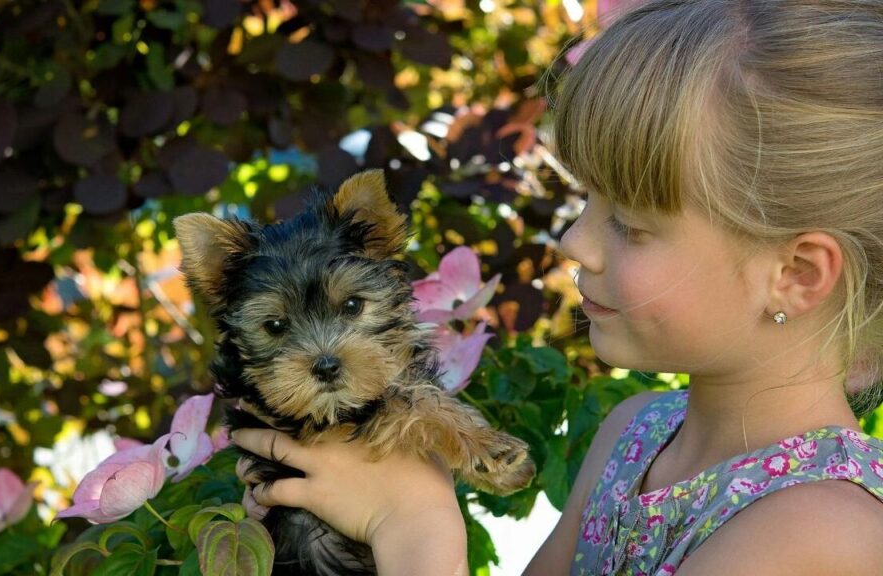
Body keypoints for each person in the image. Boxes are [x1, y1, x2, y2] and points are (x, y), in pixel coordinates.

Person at [230, 0, 883, 574]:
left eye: (628, 223)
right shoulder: (637, 433)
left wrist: (415, 524)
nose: (575, 240)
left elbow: (418, 531)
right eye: (586, 200)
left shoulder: (820, 533)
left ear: (795, 276)